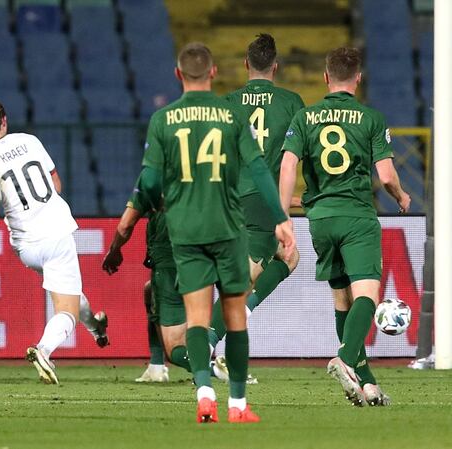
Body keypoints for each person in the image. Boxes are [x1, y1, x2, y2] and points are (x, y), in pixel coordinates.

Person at [137, 42, 295, 424]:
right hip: (232, 222)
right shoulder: (239, 113)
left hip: (191, 224)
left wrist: (145, 213)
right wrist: (281, 215)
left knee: (195, 314)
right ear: (213, 72)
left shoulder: (167, 119)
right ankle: (237, 404)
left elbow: (150, 182)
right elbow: (263, 168)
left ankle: (204, 393)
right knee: (235, 312)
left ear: (178, 75)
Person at [279, 47, 411, 406]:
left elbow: (288, 167)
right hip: (356, 216)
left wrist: (282, 216)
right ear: (358, 78)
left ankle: (364, 381)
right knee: (366, 296)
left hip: (320, 219)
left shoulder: (304, 118)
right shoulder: (370, 118)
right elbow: (385, 176)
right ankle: (346, 358)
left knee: (342, 299)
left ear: (325, 77)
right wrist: (401, 195)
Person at [0, 98, 109, 385]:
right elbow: (56, 185)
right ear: (4, 120)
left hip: (26, 246)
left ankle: (96, 327)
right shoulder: (29, 141)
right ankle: (44, 350)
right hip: (55, 233)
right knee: (65, 311)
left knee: (67, 289)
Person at [209, 33, 305, 379]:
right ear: (275, 67)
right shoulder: (292, 102)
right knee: (245, 280)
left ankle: (216, 338)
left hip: (230, 200)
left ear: (246, 64)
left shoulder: (228, 102)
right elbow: (296, 156)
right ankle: (206, 342)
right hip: (264, 201)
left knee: (289, 258)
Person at [102, 175, 193, 383]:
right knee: (150, 291)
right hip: (210, 251)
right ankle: (156, 365)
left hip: (170, 254)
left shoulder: (153, 176)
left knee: (174, 347)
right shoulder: (204, 168)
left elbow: (126, 224)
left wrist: (114, 250)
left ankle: (218, 368)